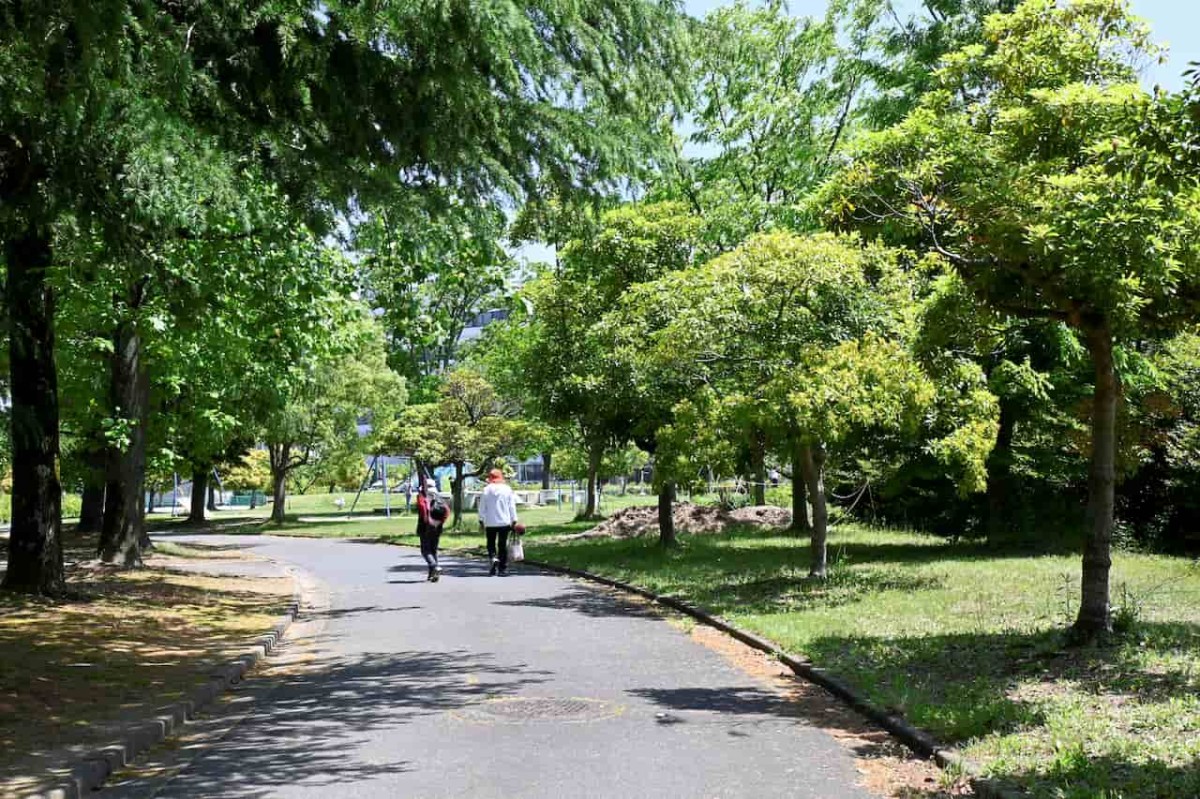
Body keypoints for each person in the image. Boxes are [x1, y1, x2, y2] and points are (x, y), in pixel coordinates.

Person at [478, 468, 518, 576]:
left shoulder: (486, 490)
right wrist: (514, 519)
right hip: (504, 522)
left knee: (490, 543)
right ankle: (502, 569)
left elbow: (482, 507)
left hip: (490, 522)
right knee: (502, 545)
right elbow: (511, 506)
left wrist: (481, 520)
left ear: (490, 478)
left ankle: (493, 558)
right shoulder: (507, 489)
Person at [416, 478, 446, 582]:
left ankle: (434, 566)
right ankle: (432, 574)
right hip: (437, 527)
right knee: (433, 550)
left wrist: (428, 521)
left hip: (425, 527)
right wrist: (439, 522)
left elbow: (423, 510)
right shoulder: (439, 498)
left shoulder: (423, 497)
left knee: (425, 550)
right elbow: (447, 511)